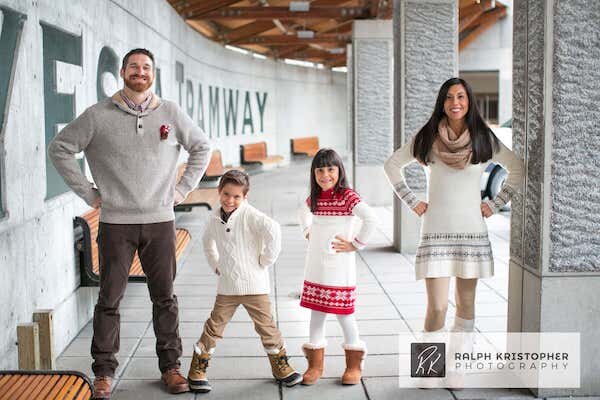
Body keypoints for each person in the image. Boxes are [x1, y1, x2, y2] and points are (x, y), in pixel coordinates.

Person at [48, 48, 211, 399]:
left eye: (147, 67)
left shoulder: (170, 112)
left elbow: (201, 146)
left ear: (153, 74)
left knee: (165, 299)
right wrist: (89, 194)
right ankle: (104, 373)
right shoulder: (97, 115)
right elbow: (60, 148)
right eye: (134, 66)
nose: (140, 71)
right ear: (122, 72)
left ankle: (171, 368)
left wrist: (182, 189)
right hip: (116, 224)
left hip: (160, 222)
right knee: (109, 300)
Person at [383, 77, 523, 349]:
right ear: (442, 103)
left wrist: (495, 204)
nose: (455, 102)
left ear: (469, 101)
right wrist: (412, 201)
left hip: (471, 233)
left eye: (460, 96)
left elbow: (516, 169)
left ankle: (458, 363)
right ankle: (429, 366)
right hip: (435, 233)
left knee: (466, 303)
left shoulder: (484, 138)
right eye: (449, 97)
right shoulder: (428, 137)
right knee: (436, 307)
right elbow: (391, 165)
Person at [187, 170, 302, 393]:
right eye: (226, 194)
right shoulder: (213, 220)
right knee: (214, 327)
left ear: (245, 197)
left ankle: (281, 367)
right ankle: (197, 370)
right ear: (219, 192)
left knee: (267, 327)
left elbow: (274, 231)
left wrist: (266, 259)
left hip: (255, 286)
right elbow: (207, 243)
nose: (230, 200)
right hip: (228, 287)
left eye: (237, 196)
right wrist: (216, 264)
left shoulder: (252, 216)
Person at [297, 149, 378, 385]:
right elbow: (302, 212)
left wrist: (356, 244)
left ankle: (354, 364)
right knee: (317, 312)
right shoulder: (315, 197)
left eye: (330, 169)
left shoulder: (347, 196)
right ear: (314, 173)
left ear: (339, 171)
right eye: (319, 170)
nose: (325, 175)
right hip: (316, 265)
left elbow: (371, 218)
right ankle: (315, 365)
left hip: (340, 266)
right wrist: (306, 231)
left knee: (344, 313)